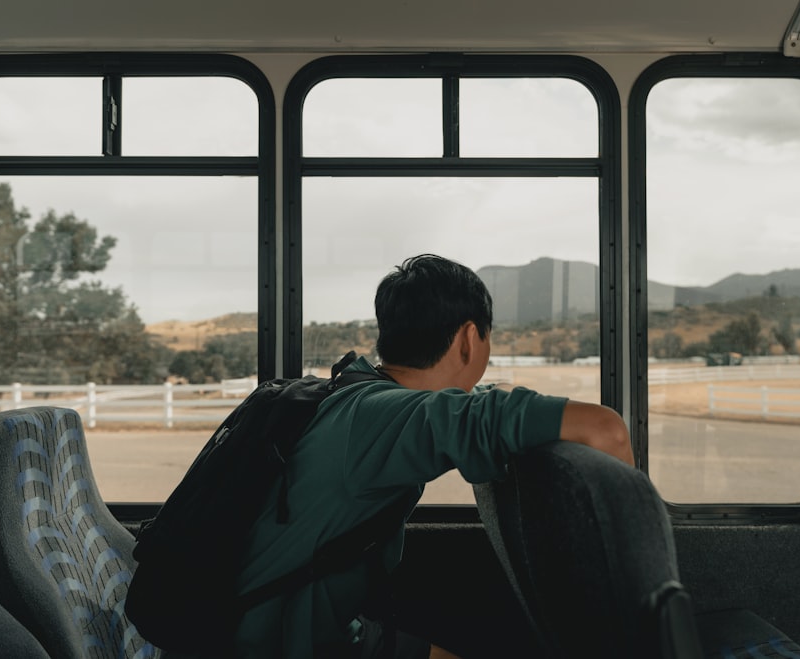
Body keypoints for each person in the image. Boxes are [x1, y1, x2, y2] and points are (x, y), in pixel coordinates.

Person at [234, 254, 634, 658]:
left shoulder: (356, 396)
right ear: (469, 339)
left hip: (288, 624)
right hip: (275, 643)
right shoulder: (400, 416)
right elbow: (606, 430)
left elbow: (466, 404)